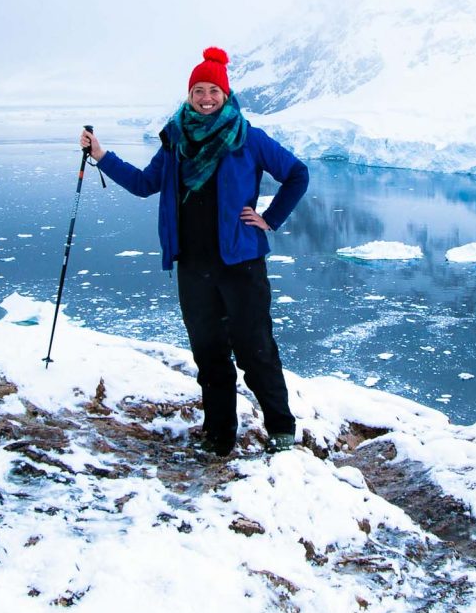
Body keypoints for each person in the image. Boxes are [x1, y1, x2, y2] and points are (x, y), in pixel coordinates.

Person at [82, 47, 310, 457]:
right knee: (209, 354)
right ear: (189, 95)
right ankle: (219, 434)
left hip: (241, 263)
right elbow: (143, 183)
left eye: (213, 91)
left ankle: (280, 427)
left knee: (255, 348)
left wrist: (270, 218)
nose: (205, 98)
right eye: (198, 91)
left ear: (225, 94)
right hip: (193, 264)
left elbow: (297, 174)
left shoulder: (248, 138)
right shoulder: (175, 141)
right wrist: (102, 156)